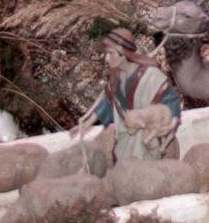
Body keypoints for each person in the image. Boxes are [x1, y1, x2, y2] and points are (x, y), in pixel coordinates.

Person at [77, 32, 180, 160]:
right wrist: (87, 123)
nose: (106, 59)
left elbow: (170, 98)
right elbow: (109, 102)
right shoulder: (116, 79)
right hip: (126, 135)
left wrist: (173, 121)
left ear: (124, 54)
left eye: (111, 53)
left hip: (149, 135)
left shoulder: (150, 76)